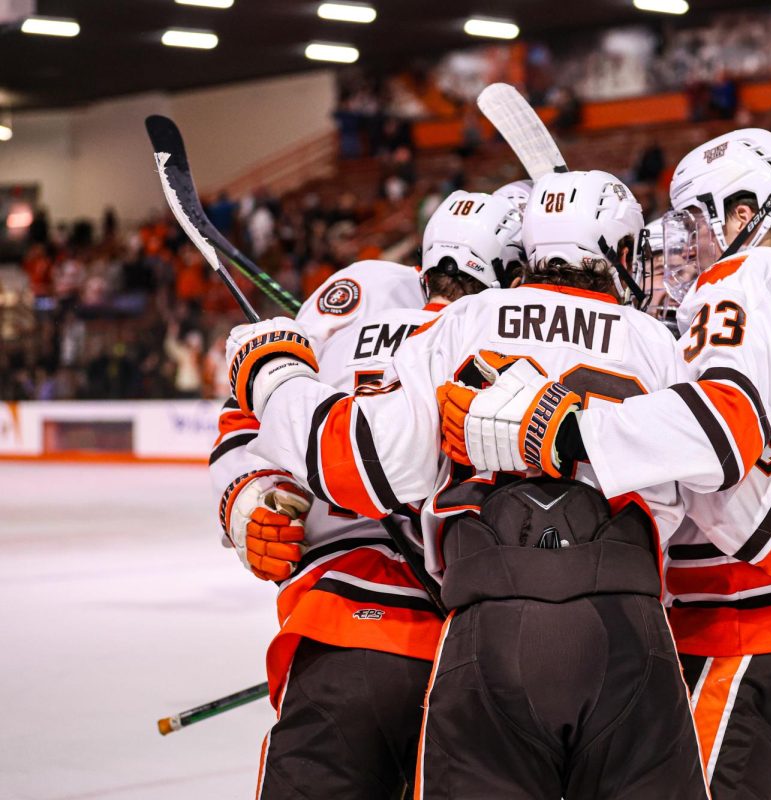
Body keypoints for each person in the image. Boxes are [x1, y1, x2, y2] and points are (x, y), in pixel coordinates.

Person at [444, 129, 771, 799]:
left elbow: (739, 477)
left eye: (696, 219)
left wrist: (571, 431)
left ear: (744, 213)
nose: (688, 243)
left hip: (754, 631)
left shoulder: (738, 278)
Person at [224, 170, 712, 799]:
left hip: (490, 625)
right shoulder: (658, 340)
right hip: (631, 632)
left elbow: (364, 461)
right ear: (618, 253)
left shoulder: (461, 322)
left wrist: (274, 374)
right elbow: (721, 495)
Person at [211, 190, 523, 800]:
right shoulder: (376, 292)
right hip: (462, 643)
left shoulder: (374, 293)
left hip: (425, 647)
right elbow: (246, 421)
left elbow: (261, 395)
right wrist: (249, 496)